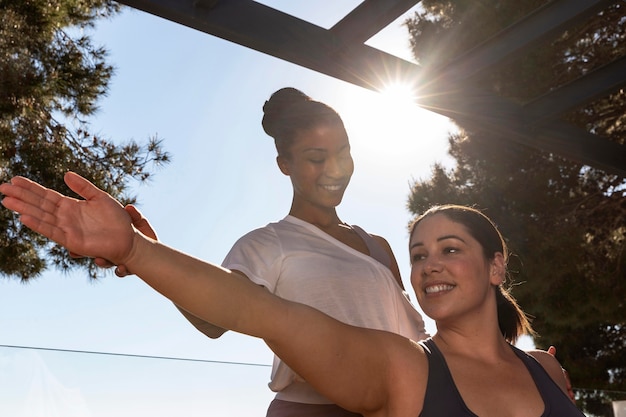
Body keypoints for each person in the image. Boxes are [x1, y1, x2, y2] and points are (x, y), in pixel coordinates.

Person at [0, 175, 584, 417]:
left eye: (450, 248)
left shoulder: (546, 372)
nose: (429, 264)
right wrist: (135, 252)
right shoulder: (402, 369)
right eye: (420, 254)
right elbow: (258, 310)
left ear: (495, 267)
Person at [109, 87, 429, 417]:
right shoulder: (268, 244)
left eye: (343, 153)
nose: (335, 169)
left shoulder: (378, 245)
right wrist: (149, 257)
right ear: (284, 164)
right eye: (316, 159)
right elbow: (212, 322)